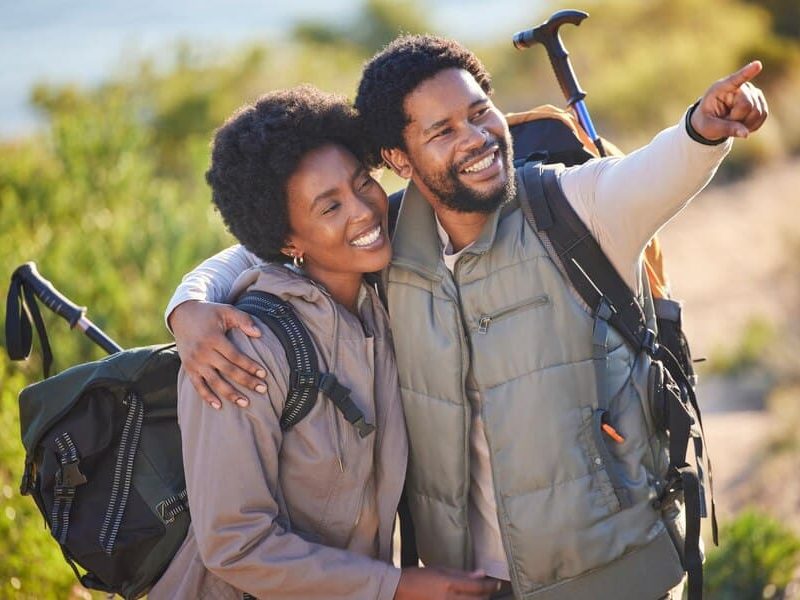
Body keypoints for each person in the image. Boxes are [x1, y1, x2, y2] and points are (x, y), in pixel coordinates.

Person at [165, 36, 768, 599]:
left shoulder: (546, 212)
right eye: (443, 130)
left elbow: (647, 175)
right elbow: (264, 244)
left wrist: (700, 131)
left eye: (480, 113)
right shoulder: (333, 281)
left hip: (607, 572)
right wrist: (189, 306)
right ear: (401, 160)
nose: (475, 138)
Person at [150, 85, 500, 600]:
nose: (363, 212)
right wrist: (396, 586)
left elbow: (458, 166)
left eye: (362, 184)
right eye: (329, 207)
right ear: (287, 240)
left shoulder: (383, 300)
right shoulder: (241, 351)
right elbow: (234, 544)